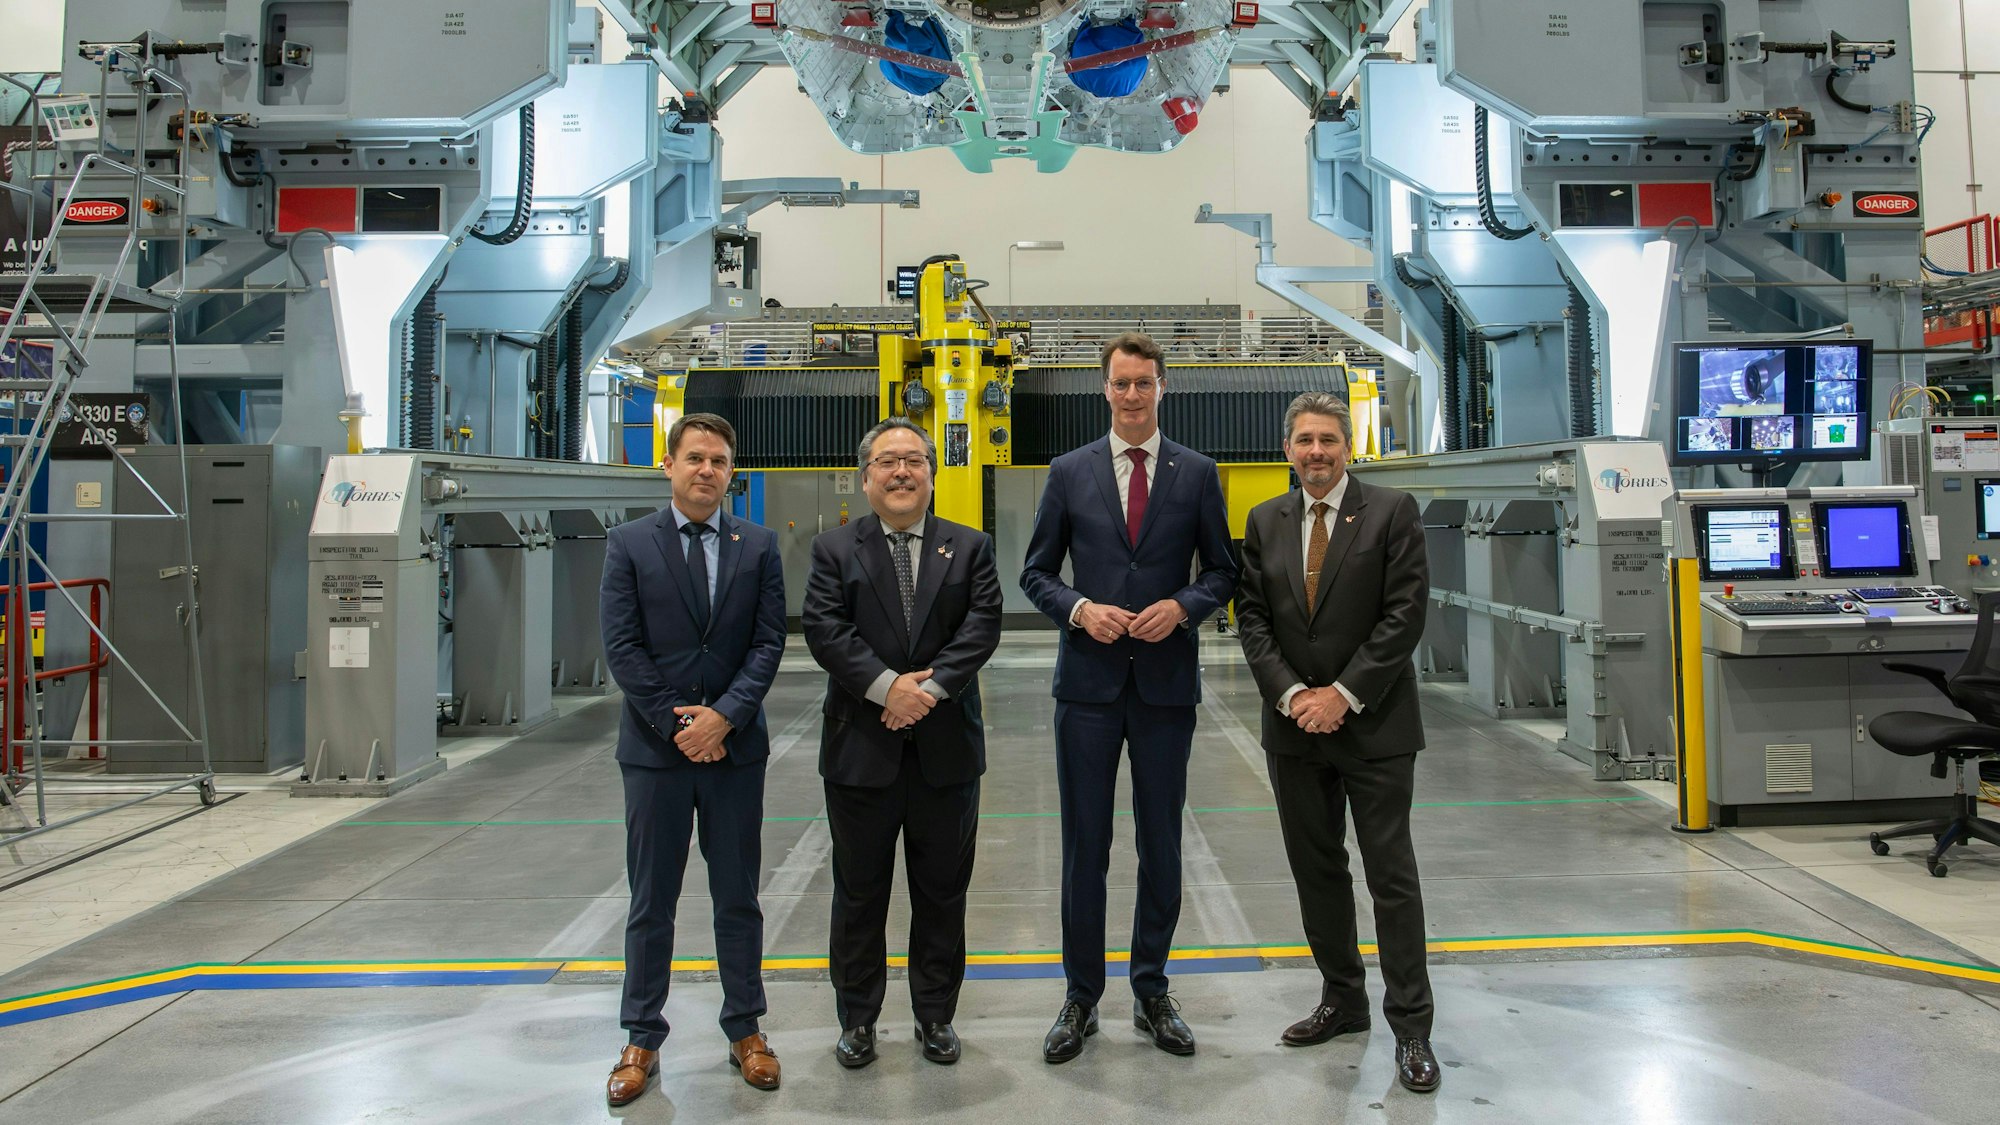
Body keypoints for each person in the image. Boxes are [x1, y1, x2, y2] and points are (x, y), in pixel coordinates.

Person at [1020, 331, 1238, 1063]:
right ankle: (1081, 995)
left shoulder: (1199, 472)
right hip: (1087, 684)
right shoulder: (1068, 472)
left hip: (1164, 687)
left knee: (1161, 843)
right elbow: (1037, 572)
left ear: (1162, 387)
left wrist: (1182, 606)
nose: (1133, 395)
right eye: (1122, 383)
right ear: (1104, 390)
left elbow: (1222, 572)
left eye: (1145, 382)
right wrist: (1081, 609)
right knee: (1087, 846)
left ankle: (1151, 988)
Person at [1232, 391, 1440, 1094]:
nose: (1316, 452)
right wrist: (1293, 696)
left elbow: (1404, 613)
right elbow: (1253, 619)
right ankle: (1342, 999)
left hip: (1373, 723)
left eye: (1328, 440)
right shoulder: (1266, 520)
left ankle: (1412, 1025)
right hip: (1295, 731)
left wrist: (1341, 693)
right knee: (1316, 869)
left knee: (1390, 874)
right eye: (1304, 441)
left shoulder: (1391, 511)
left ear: (1347, 446)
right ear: (1287, 448)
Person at [802, 418, 1003, 1070]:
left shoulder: (969, 547)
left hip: (946, 754)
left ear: (932, 473)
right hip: (862, 751)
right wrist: (889, 688)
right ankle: (858, 1018)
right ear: (866, 478)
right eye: (887, 461)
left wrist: (932, 689)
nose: (900, 472)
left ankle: (935, 1014)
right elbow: (826, 631)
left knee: (942, 891)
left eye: (913, 460)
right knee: (859, 893)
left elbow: (981, 626)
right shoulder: (835, 549)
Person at [599, 412, 787, 1105]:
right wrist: (680, 723)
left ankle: (746, 1028)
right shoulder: (628, 544)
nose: (707, 469)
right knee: (653, 900)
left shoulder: (759, 545)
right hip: (657, 753)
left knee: (738, 896)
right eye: (695, 457)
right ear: (669, 465)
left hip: (735, 751)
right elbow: (622, 647)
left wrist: (725, 717)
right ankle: (641, 1035)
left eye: (719, 460)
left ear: (732, 471)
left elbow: (768, 642)